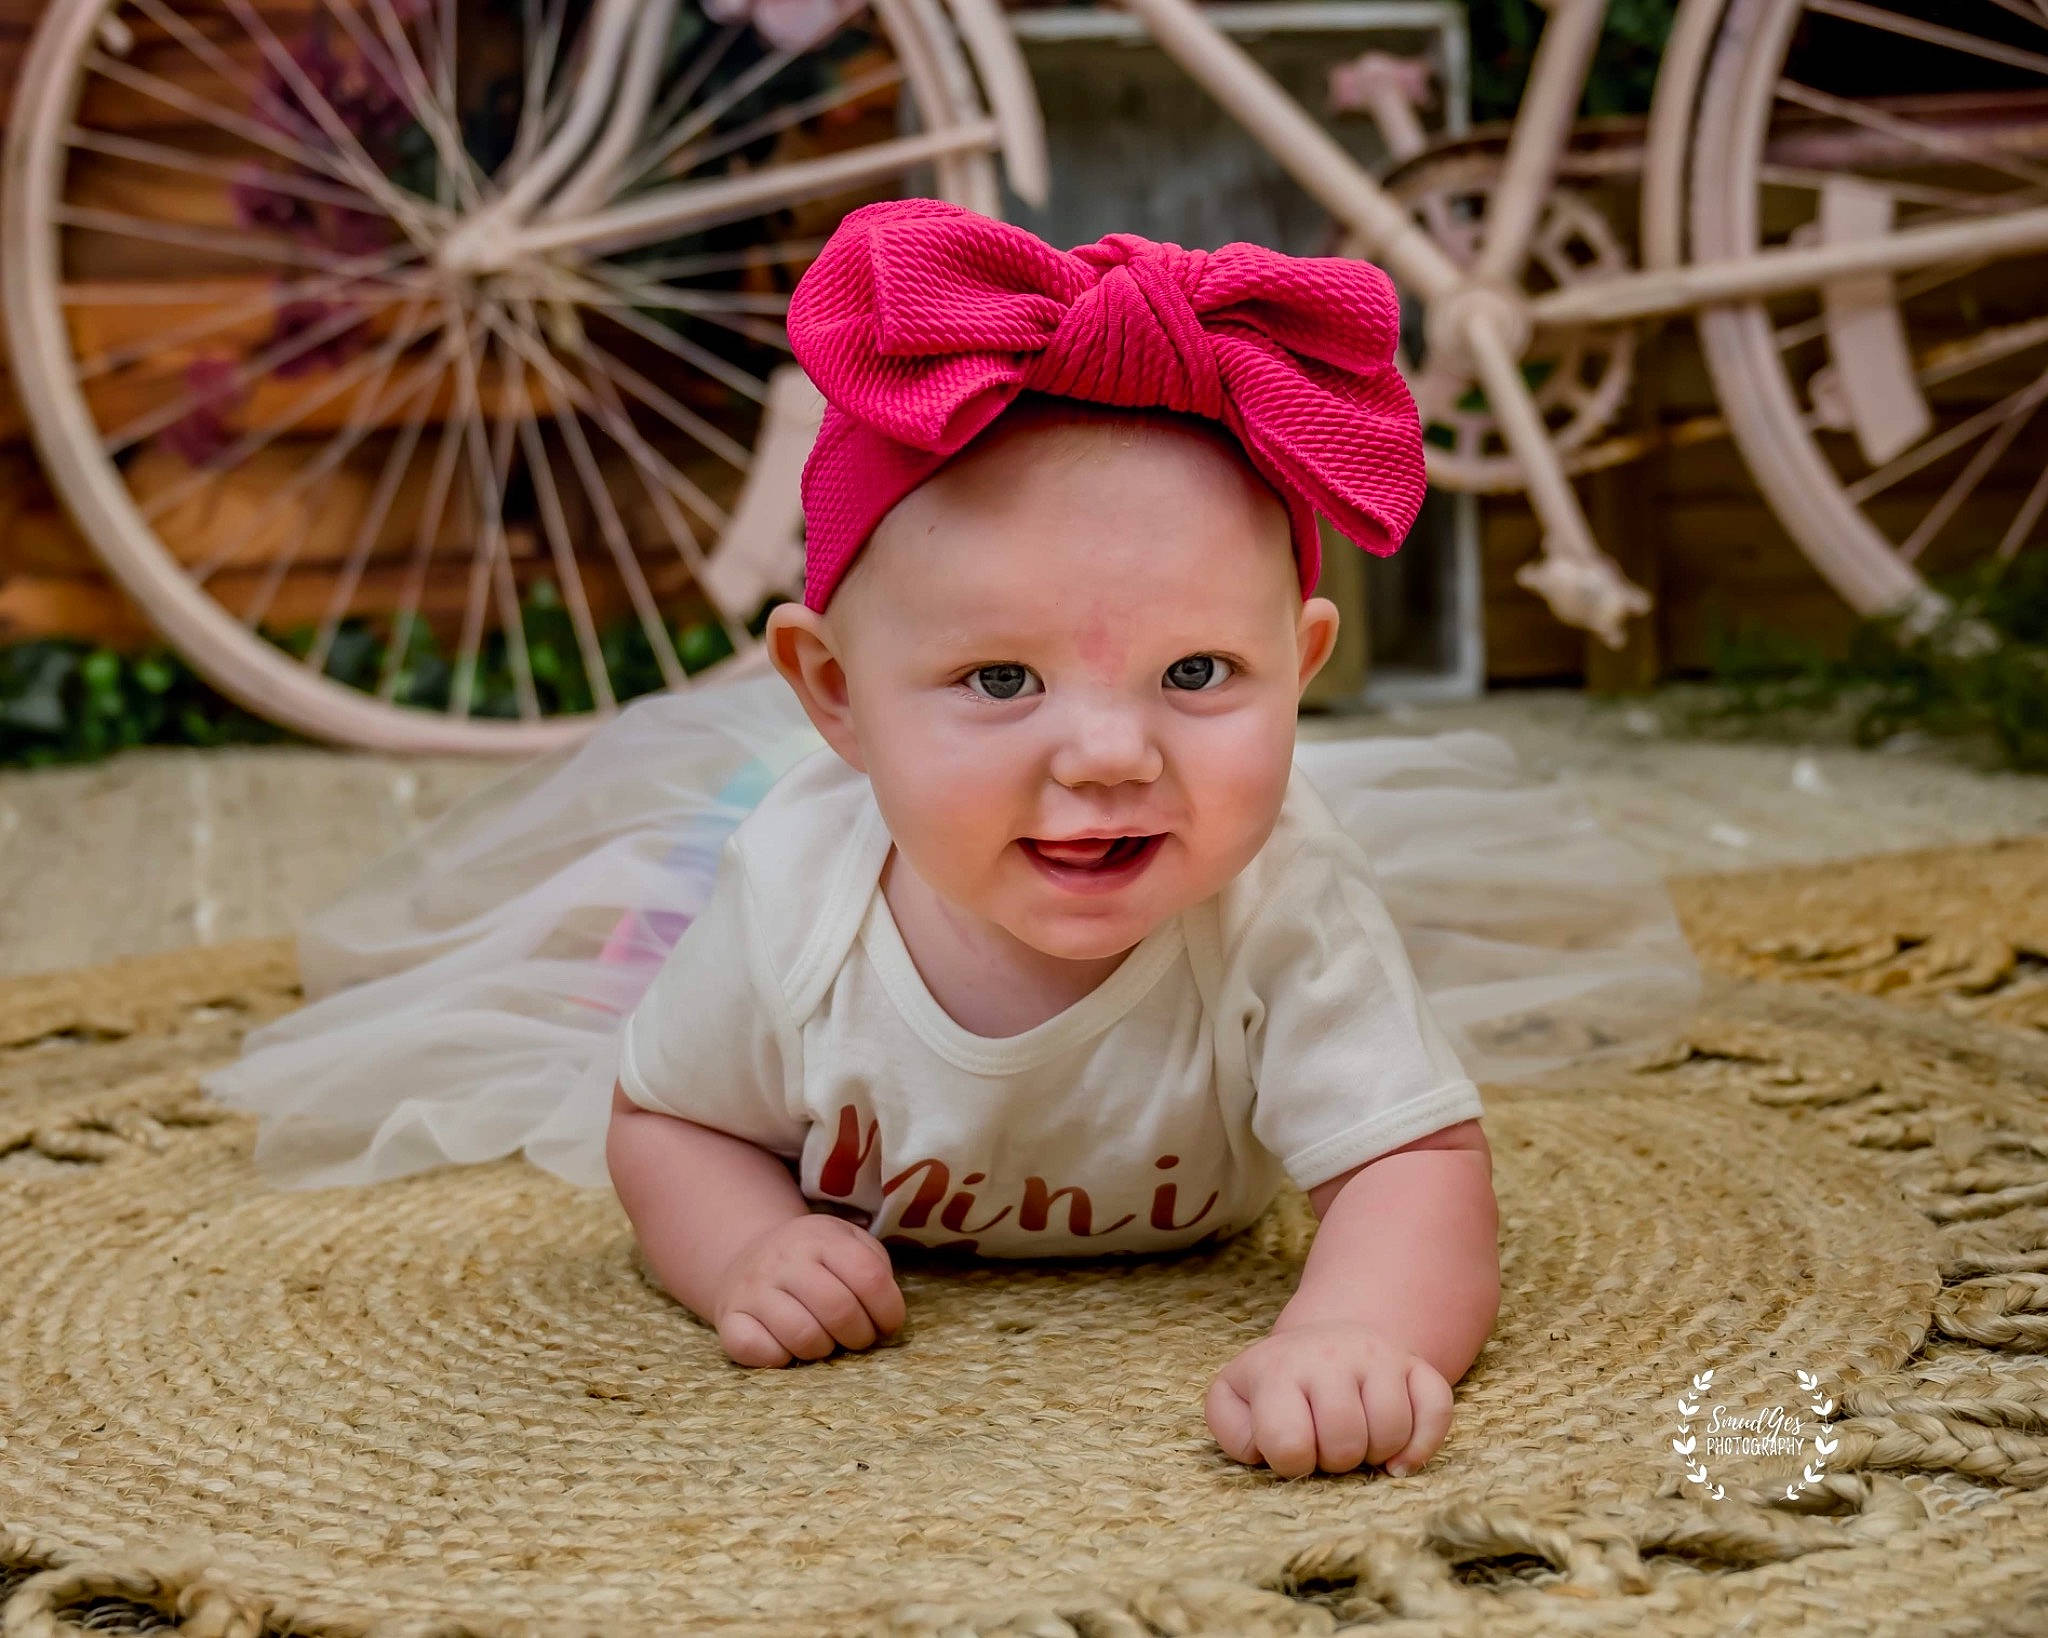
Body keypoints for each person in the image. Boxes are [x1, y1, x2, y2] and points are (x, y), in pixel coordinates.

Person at [205, 199, 1698, 1482]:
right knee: (669, 987)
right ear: (837, 696)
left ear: (1300, 666)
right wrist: (741, 1246)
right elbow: (667, 1120)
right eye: (1000, 679)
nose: (1112, 754)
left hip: (1224, 911)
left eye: (1199, 676)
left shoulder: (1282, 900)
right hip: (808, 897)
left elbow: (1414, 1168)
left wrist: (1359, 1329)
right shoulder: (801, 903)